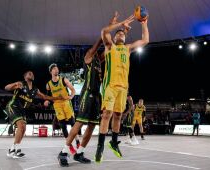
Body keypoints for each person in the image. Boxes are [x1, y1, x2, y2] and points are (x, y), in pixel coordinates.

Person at [95, 12, 149, 163]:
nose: (120, 35)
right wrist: (120, 23)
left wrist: (144, 23)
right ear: (115, 37)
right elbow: (104, 32)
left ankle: (113, 142)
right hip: (110, 85)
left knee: (118, 115)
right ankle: (100, 146)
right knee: (107, 113)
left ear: (125, 38)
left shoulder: (128, 48)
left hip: (123, 88)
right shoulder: (109, 46)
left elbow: (145, 40)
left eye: (123, 34)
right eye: (118, 34)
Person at [57, 37, 104, 167]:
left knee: (92, 125)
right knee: (80, 122)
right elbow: (98, 45)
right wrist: (103, 36)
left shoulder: (98, 62)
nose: (95, 51)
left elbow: (110, 50)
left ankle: (79, 153)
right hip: (87, 93)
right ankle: (63, 152)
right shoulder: (88, 57)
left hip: (96, 96)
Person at [5, 71, 62, 158]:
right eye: (29, 73)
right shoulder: (20, 84)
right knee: (21, 126)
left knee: (23, 129)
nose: (32, 74)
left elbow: (44, 97)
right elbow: (6, 88)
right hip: (13, 106)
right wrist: (14, 84)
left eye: (32, 74)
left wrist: (56, 98)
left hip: (22, 110)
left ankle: (12, 149)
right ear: (25, 77)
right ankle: (15, 150)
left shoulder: (35, 90)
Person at [44, 64, 80, 155]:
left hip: (66, 103)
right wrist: (47, 100)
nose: (56, 70)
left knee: (72, 124)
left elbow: (73, 90)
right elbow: (48, 96)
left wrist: (71, 96)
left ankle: (78, 142)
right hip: (57, 105)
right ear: (51, 72)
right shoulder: (48, 85)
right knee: (63, 126)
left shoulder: (64, 80)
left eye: (57, 69)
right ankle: (70, 146)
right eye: (54, 69)